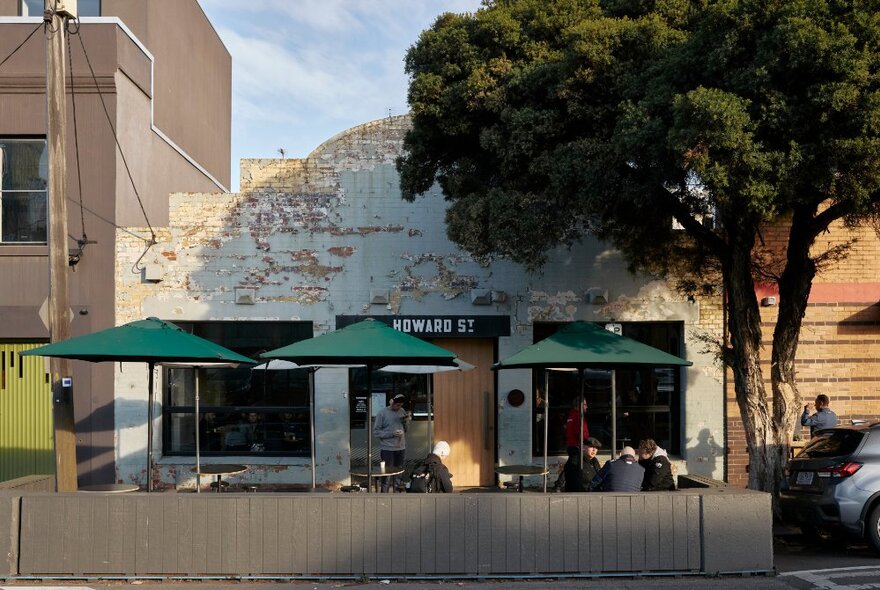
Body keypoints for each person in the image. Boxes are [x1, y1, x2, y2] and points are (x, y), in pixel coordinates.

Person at [373, 393, 411, 492]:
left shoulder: (402, 411)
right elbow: (376, 432)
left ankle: (396, 493)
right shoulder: (382, 413)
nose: (399, 408)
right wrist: (392, 434)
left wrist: (406, 422)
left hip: (401, 447)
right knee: (387, 474)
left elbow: (405, 430)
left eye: (401, 405)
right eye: (397, 405)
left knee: (398, 473)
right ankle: (384, 494)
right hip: (387, 449)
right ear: (392, 403)